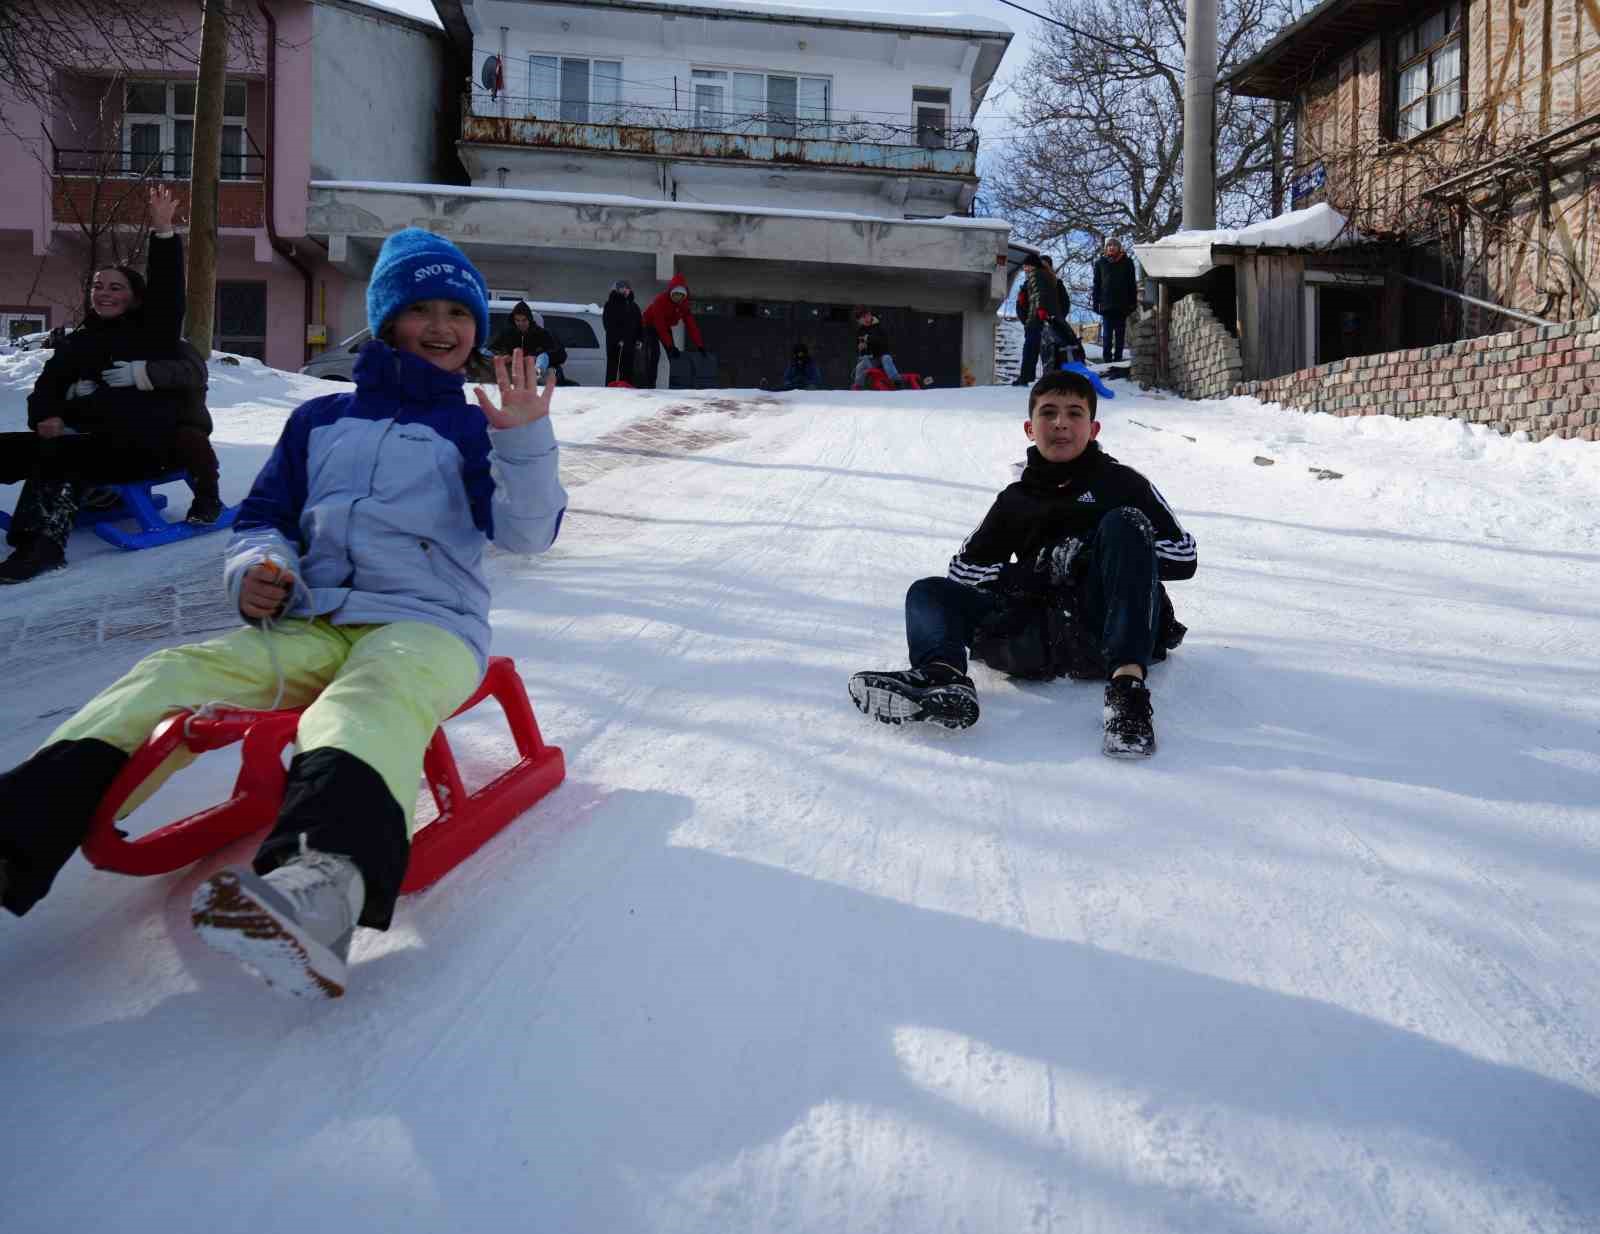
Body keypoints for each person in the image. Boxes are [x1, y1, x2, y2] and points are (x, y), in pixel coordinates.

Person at [0, 228, 568, 999]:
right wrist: (261, 569)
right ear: (388, 319)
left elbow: (528, 533)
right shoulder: (320, 420)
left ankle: (319, 887)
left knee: (367, 701)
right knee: (172, 672)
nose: (443, 327)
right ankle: (19, 831)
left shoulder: (473, 427)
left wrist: (526, 440)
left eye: (458, 312)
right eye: (421, 308)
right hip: (309, 622)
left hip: (426, 626)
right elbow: (265, 515)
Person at [847, 367, 1196, 758]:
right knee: (928, 592)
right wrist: (1034, 571)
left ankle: (1127, 697)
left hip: (1105, 627)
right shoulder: (1017, 498)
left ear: (1093, 429)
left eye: (1074, 413)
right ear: (1030, 428)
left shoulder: (1124, 484)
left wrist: (1090, 554)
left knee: (1126, 523)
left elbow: (1184, 557)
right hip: (1037, 637)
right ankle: (942, 677)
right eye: (1048, 412)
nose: (1060, 423)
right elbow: (963, 572)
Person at [0, 186, 191, 582]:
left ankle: (42, 547)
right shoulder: (81, 340)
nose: (103, 294)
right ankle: (53, 518)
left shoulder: (151, 333)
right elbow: (46, 385)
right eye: (98, 287)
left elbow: (169, 293)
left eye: (115, 287)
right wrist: (48, 414)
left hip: (141, 446)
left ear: (136, 298)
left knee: (61, 456)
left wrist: (163, 232)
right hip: (84, 441)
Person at [641, 274, 705, 389]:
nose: (678, 297)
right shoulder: (660, 301)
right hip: (649, 325)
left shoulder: (683, 305)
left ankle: (676, 384)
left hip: (664, 326)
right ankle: (649, 386)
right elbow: (659, 326)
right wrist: (669, 345)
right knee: (654, 353)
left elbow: (691, 325)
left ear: (684, 295)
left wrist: (699, 345)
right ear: (671, 292)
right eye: (676, 294)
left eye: (681, 295)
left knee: (673, 355)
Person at [488, 300, 569, 383]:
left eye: (524, 320)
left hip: (535, 374)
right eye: (517, 320)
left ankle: (537, 374)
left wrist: (537, 357)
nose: (520, 323)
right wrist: (504, 356)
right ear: (513, 320)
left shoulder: (542, 333)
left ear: (529, 319)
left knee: (543, 358)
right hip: (512, 374)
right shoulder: (506, 333)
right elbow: (492, 349)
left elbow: (560, 353)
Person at [1092, 238, 1138, 363]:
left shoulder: (1127, 262)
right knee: (1107, 335)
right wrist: (1096, 303)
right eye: (1109, 245)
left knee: (1120, 334)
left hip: (1122, 304)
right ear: (1106, 248)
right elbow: (1097, 284)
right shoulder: (1100, 263)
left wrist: (1133, 302)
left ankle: (1118, 359)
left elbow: (1131, 284)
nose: (1111, 247)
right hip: (1106, 304)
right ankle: (1107, 359)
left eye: (1114, 245)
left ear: (1119, 247)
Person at [602, 279, 642, 384]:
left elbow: (639, 324)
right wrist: (617, 339)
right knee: (613, 370)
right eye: (621, 288)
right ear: (616, 290)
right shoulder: (610, 305)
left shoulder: (634, 306)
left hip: (630, 344)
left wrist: (639, 339)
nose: (625, 291)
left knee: (628, 370)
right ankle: (611, 390)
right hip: (615, 345)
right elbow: (608, 325)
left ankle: (627, 391)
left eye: (627, 288)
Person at [850, 307, 901, 390]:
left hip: (882, 356)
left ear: (870, 315)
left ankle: (896, 382)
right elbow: (859, 348)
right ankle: (858, 387)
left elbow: (883, 343)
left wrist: (869, 339)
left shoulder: (879, 327)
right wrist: (861, 348)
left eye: (866, 316)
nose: (865, 319)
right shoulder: (860, 331)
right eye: (862, 318)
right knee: (860, 366)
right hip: (871, 359)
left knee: (886, 358)